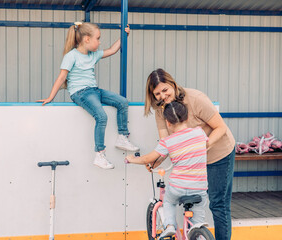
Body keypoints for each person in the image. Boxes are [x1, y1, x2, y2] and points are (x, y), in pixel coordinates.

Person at [144, 68, 235, 240]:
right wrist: (156, 160)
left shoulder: (195, 99)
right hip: (195, 160)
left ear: (173, 84)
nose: (162, 96)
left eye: (165, 90)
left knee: (218, 204)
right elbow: (166, 143)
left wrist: (203, 145)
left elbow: (221, 127)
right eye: (157, 94)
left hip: (219, 153)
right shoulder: (160, 111)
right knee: (195, 203)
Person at [37, 22, 139, 169]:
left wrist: (125, 36)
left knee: (122, 102)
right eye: (97, 38)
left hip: (94, 90)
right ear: (86, 39)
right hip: (80, 93)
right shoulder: (71, 56)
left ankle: (122, 137)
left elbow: (112, 50)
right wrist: (50, 97)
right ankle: (99, 154)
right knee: (102, 116)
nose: (99, 42)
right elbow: (61, 77)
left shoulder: (93, 55)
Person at [125, 101, 209, 238]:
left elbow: (148, 158)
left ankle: (170, 225)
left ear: (168, 123)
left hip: (178, 187)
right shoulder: (199, 133)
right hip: (199, 187)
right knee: (197, 218)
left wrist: (131, 159)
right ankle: (198, 233)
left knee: (169, 202)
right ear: (187, 118)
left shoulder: (168, 141)